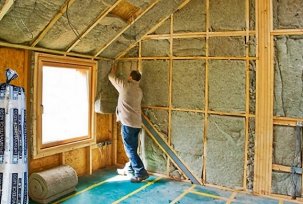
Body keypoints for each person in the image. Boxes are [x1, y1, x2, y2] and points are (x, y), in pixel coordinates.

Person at [108, 64, 149, 183]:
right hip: (136, 124)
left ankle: (140, 172)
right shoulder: (139, 90)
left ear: (130, 78)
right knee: (133, 148)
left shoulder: (125, 85)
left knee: (130, 150)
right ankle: (130, 168)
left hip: (127, 123)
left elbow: (111, 77)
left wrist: (113, 68)